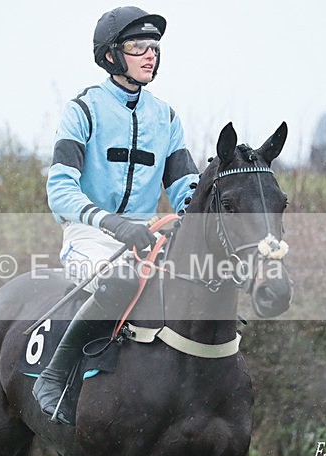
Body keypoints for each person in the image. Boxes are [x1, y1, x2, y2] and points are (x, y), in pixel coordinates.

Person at [32, 6, 200, 425]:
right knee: (120, 281)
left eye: (154, 47)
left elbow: (185, 189)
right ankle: (52, 378)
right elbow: (60, 191)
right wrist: (110, 222)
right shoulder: (82, 110)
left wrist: (199, 209)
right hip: (89, 234)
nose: (150, 55)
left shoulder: (166, 117)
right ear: (111, 55)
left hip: (146, 235)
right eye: (138, 47)